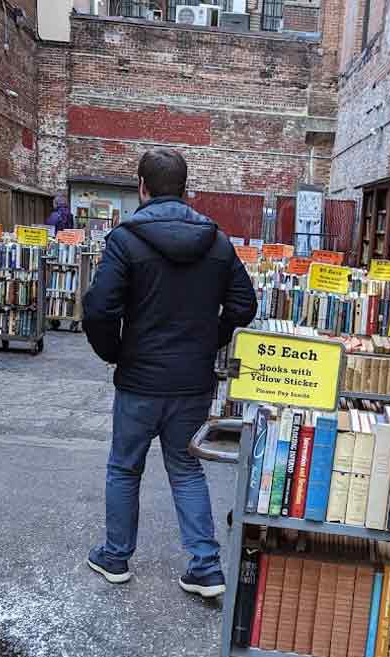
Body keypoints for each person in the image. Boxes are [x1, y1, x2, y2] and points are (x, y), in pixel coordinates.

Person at [82, 148, 257, 598]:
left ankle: (116, 557)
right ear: (186, 188)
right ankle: (205, 567)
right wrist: (209, 340)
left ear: (141, 186)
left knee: (124, 468)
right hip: (192, 382)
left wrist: (116, 353)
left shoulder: (125, 240)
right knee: (186, 469)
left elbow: (99, 309)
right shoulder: (217, 241)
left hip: (139, 379)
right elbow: (244, 305)